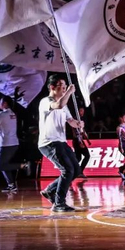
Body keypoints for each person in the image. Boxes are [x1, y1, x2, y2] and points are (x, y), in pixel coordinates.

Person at [38, 75, 84, 212]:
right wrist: (69, 92)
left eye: (65, 87)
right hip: (49, 142)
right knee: (67, 170)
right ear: (52, 87)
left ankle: (49, 190)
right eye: (62, 87)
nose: (64, 89)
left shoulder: (64, 105)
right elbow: (58, 105)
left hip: (61, 141)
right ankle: (59, 203)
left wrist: (78, 124)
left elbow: (70, 121)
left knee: (76, 170)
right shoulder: (46, 101)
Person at [72, 107, 92, 179]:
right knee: (87, 155)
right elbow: (75, 132)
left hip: (80, 140)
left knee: (78, 158)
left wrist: (87, 140)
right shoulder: (75, 120)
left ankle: (74, 171)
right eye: (81, 111)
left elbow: (82, 131)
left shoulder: (81, 120)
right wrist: (80, 142)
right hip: (77, 140)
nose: (82, 112)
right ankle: (78, 171)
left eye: (83, 111)